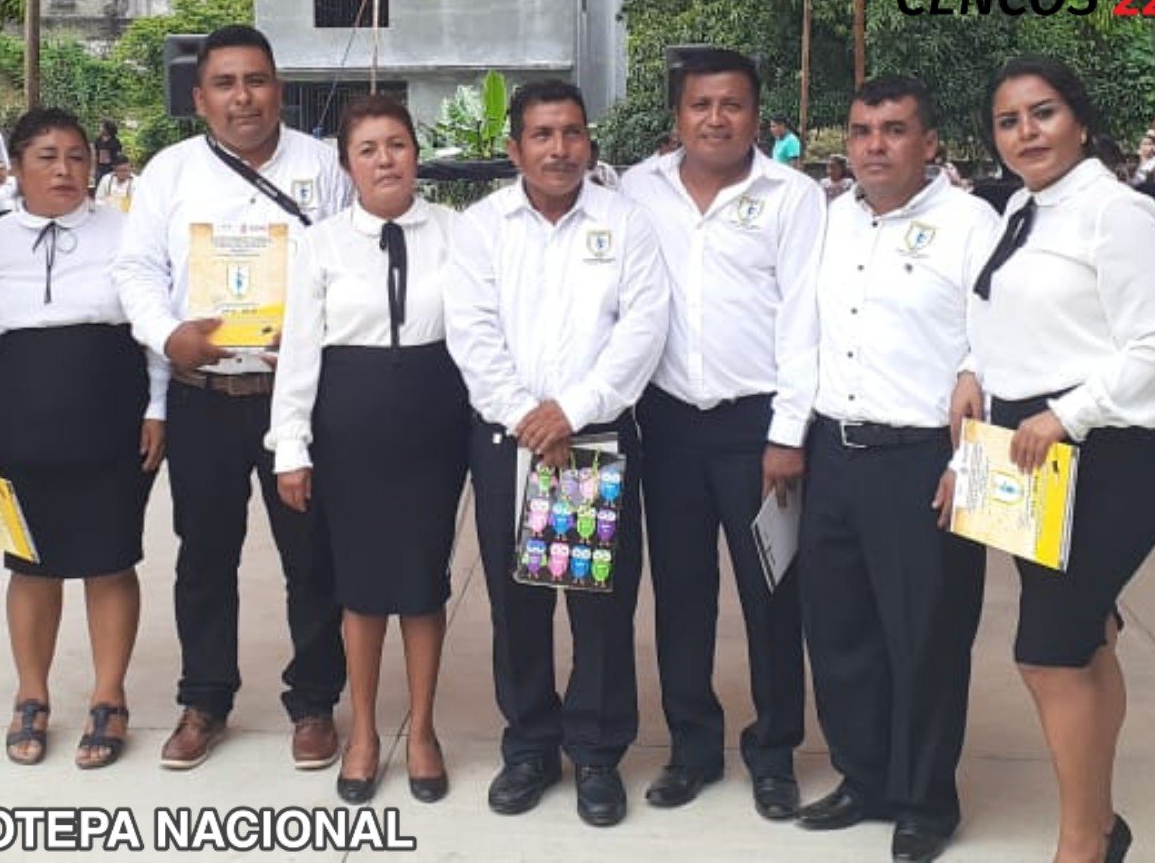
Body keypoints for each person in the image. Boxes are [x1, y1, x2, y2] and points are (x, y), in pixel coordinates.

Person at [946, 57, 1155, 863]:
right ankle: (1102, 824)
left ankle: (1083, 842)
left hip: (1105, 456)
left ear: (1079, 119)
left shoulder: (1118, 214)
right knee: (1085, 637)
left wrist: (1067, 414)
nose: (1026, 133)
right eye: (1008, 121)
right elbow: (1000, 317)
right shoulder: (1021, 207)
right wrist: (972, 373)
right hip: (1026, 457)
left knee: (1047, 654)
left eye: (1042, 113)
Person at [115, 24, 351, 773]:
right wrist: (168, 335)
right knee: (205, 555)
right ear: (200, 98)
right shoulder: (170, 172)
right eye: (225, 84)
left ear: (278, 88)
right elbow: (135, 270)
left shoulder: (324, 166)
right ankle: (205, 700)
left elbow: (350, 262)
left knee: (311, 555)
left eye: (256, 80)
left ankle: (314, 703)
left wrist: (315, 329)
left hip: (297, 398)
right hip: (204, 395)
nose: (242, 98)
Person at [444, 80, 669, 828]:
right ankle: (531, 747)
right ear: (514, 148)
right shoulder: (482, 227)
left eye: (572, 133)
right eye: (542, 135)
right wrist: (527, 416)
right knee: (519, 605)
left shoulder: (623, 222)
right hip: (511, 440)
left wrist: (572, 410)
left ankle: (597, 753)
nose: (560, 149)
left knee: (598, 606)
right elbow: (472, 333)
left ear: (588, 142)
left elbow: (642, 328)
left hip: (592, 440)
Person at [798, 76, 999, 863]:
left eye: (893, 130)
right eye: (861, 131)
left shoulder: (971, 224)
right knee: (841, 632)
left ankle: (924, 801)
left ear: (930, 142)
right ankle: (866, 778)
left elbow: (1001, 338)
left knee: (926, 639)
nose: (874, 145)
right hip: (833, 453)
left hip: (925, 461)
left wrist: (968, 449)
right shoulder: (829, 222)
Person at [621, 47, 822, 820]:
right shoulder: (638, 190)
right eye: (701, 105)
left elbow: (803, 317)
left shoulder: (793, 197)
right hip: (667, 422)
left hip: (758, 426)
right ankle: (692, 748)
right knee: (681, 594)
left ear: (756, 116)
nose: (716, 119)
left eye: (732, 104)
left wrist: (788, 431)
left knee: (773, 595)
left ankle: (774, 754)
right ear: (678, 116)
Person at [0, 108, 167, 771]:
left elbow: (155, 326)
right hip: (19, 425)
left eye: (76, 156)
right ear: (14, 166)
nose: (65, 170)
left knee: (109, 558)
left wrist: (159, 407)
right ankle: (30, 695)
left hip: (113, 420)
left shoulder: (128, 233)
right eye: (46, 157)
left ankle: (108, 696)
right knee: (30, 564)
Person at [267, 94, 468, 804]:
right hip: (348, 428)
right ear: (347, 165)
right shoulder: (320, 243)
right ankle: (362, 732)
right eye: (368, 150)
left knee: (421, 582)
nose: (386, 160)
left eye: (397, 145)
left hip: (434, 425)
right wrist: (290, 446)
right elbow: (300, 350)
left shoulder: (456, 232)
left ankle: (422, 731)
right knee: (359, 589)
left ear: (417, 152)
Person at [94, 120, 125, 188]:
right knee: (98, 185)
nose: (100, 128)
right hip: (100, 168)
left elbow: (119, 155)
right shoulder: (98, 140)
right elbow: (96, 154)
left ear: (107, 129)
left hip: (110, 168)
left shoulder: (115, 142)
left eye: (102, 127)